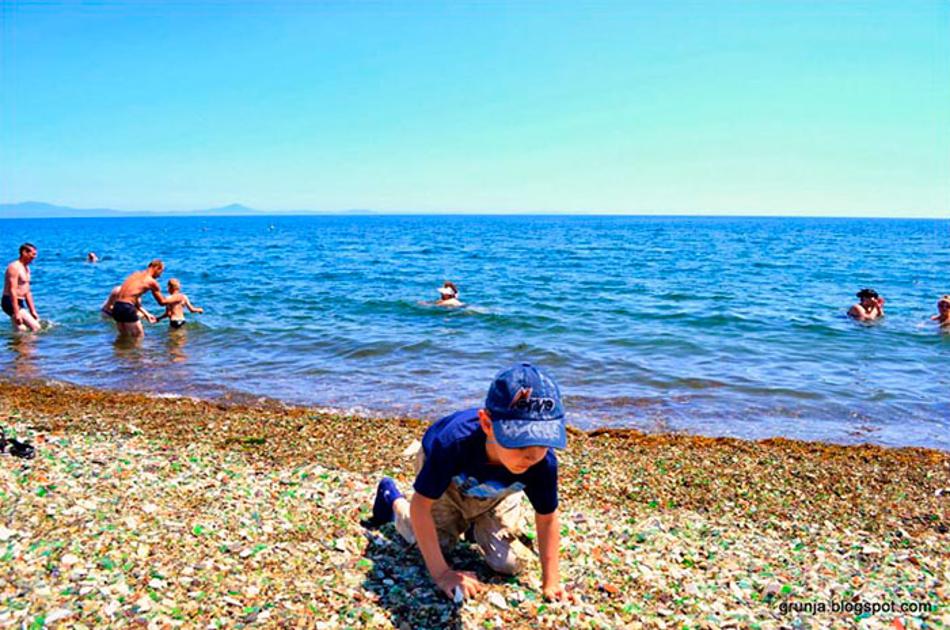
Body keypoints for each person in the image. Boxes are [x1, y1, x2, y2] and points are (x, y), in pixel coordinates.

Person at [368, 363, 570, 602]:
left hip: (496, 493)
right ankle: (391, 501)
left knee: (509, 564)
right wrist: (442, 574)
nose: (532, 455)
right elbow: (421, 506)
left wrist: (551, 581)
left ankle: (476, 523)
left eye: (544, 441)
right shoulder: (452, 443)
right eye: (520, 442)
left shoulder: (540, 463)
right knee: (434, 548)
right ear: (487, 425)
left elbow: (547, 518)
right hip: (447, 486)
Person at [111, 259, 169, 337]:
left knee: (123, 337)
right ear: (156, 268)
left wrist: (146, 314)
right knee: (139, 337)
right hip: (127, 308)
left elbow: (132, 297)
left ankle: (121, 349)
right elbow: (162, 302)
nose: (160, 276)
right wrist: (178, 298)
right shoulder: (151, 282)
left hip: (117, 306)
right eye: (161, 272)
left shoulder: (135, 274)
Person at [3, 243, 40, 332]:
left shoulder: (26, 268)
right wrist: (16, 312)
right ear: (24, 253)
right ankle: (33, 345)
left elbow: (27, 291)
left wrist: (32, 310)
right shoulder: (14, 267)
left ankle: (18, 345)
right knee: (36, 327)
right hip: (10, 301)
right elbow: (13, 290)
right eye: (33, 254)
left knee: (21, 330)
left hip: (20, 301)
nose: (35, 257)